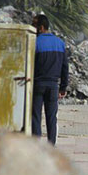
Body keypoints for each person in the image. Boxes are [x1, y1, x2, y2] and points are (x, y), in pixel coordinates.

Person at [31, 15, 69, 145]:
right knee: (52, 117)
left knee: (35, 116)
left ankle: (36, 145)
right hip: (53, 86)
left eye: (34, 25)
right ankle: (51, 146)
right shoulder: (60, 43)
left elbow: (30, 65)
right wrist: (63, 87)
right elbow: (65, 67)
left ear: (41, 27)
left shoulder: (34, 43)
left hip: (37, 84)